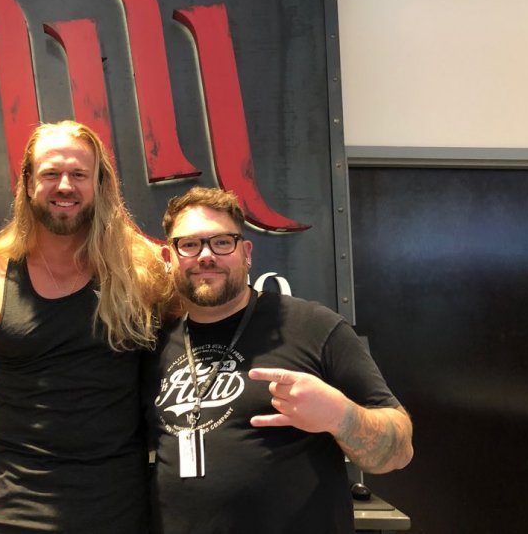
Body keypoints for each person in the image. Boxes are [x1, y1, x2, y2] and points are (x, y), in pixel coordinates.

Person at [0, 120, 170, 534]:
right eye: (50, 173)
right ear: (27, 183)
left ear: (99, 184)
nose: (65, 186)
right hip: (10, 514)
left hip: (119, 513)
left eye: (78, 174)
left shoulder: (143, 276)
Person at [145, 186, 413, 534]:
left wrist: (340, 416)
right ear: (169, 257)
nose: (206, 255)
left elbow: (399, 450)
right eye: (190, 244)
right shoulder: (154, 346)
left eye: (222, 242)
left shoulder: (314, 328)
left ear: (246, 253)